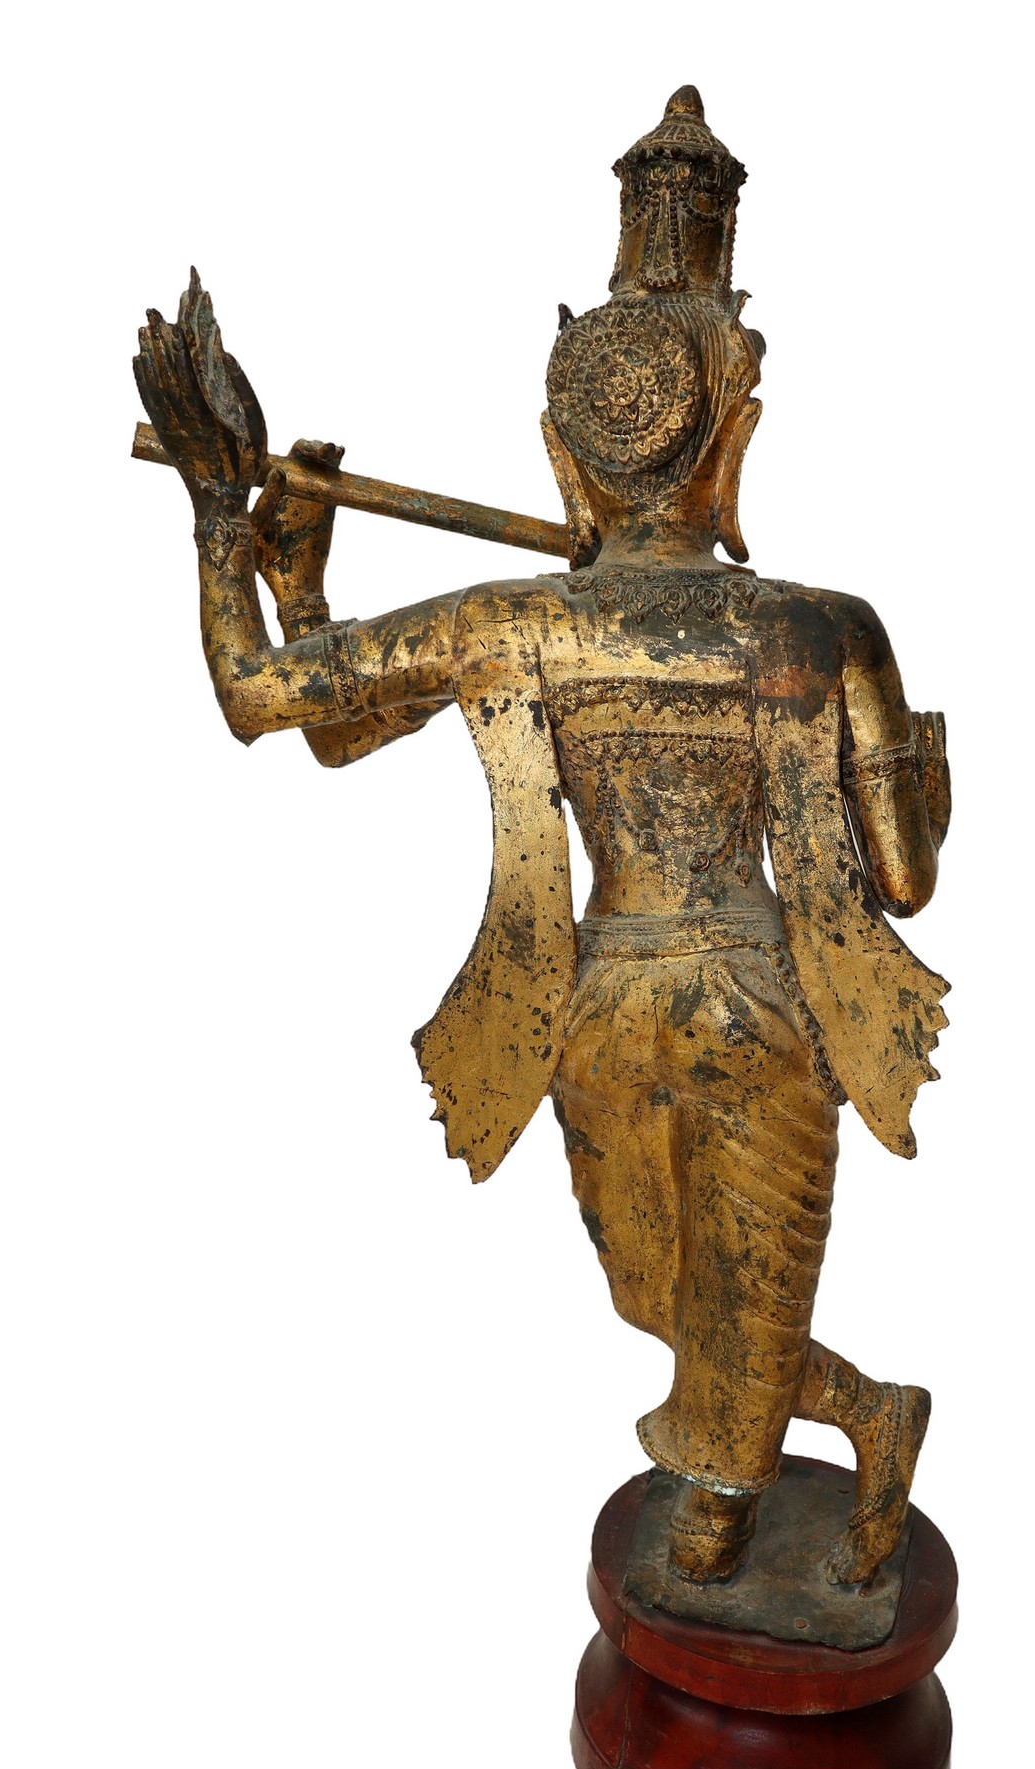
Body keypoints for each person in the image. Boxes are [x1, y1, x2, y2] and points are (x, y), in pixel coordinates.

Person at [134, 88, 951, 1586]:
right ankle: (866, 1413)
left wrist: (220, 520)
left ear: (567, 460)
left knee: (730, 1363)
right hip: (608, 1014)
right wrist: (921, 769)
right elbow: (907, 876)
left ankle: (728, 1510)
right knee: (661, 1303)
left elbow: (265, 696)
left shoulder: (542, 625)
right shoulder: (819, 632)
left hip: (750, 1021)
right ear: (732, 442)